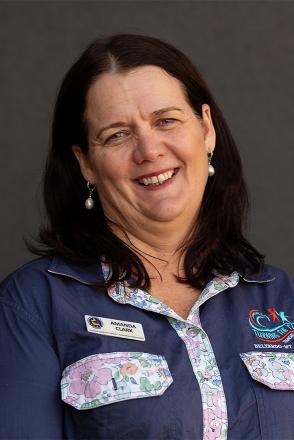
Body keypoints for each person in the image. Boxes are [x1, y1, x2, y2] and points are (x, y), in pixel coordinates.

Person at [0, 33, 293, 440]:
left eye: (166, 120)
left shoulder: (280, 297)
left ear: (206, 130)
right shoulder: (34, 305)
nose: (149, 150)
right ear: (85, 162)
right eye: (117, 134)